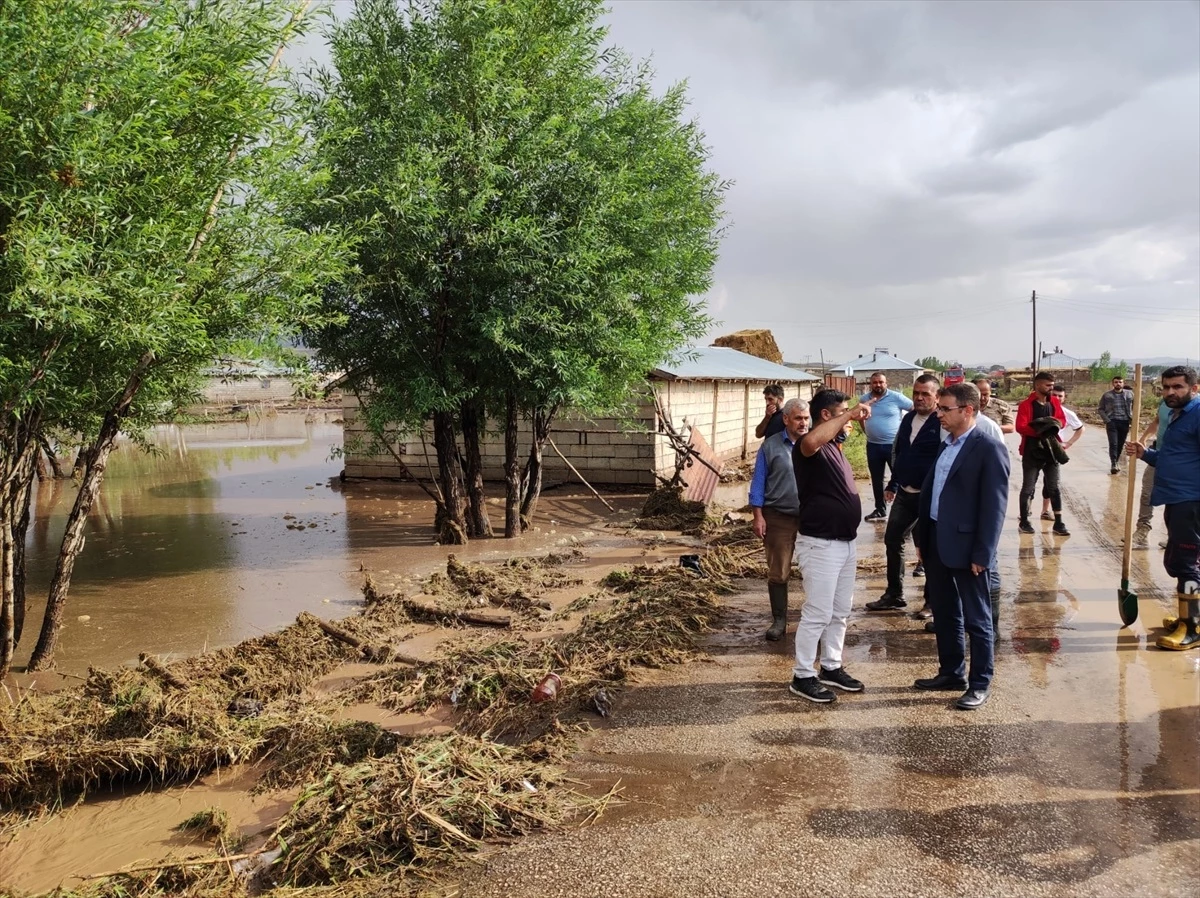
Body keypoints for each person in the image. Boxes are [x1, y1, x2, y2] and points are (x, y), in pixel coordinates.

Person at [913, 382, 1010, 709]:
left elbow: (994, 507)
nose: (938, 413)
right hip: (939, 542)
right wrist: (922, 540)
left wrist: (983, 553)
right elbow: (932, 495)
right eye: (939, 408)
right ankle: (952, 672)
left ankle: (980, 683)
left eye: (945, 409)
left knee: (977, 618)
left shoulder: (988, 447)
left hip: (969, 549)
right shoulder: (947, 445)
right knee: (945, 611)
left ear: (968, 410)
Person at [787, 389, 872, 703]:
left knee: (839, 612)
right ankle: (802, 675)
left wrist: (854, 421)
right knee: (818, 613)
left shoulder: (834, 445)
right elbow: (809, 441)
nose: (849, 415)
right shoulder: (809, 445)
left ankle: (831, 666)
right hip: (820, 545)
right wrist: (847, 415)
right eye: (842, 410)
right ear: (827, 415)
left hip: (845, 543)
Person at [1126, 366, 1200, 651]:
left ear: (1194, 388)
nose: (1170, 392)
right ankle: (1189, 616)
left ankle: (1191, 628)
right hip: (1178, 499)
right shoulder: (1177, 415)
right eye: (1166, 387)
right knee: (1180, 561)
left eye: (1177, 387)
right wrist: (1146, 454)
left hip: (1192, 501)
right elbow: (1173, 459)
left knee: (1187, 563)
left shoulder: (1196, 415)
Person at [867, 373, 941, 612]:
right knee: (893, 540)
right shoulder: (908, 419)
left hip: (929, 497)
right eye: (916, 393)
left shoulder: (942, 422)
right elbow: (899, 453)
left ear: (937, 397)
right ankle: (894, 594)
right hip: (906, 494)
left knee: (928, 548)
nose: (919, 398)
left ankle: (931, 602)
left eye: (925, 394)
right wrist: (893, 484)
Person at [749, 398, 810, 641]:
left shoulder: (816, 443)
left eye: (806, 418)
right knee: (778, 571)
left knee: (816, 570)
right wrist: (758, 515)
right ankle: (779, 620)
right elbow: (758, 482)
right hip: (779, 517)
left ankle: (815, 619)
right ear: (786, 419)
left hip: (810, 517)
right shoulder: (770, 446)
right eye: (798, 418)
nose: (803, 423)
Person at [1015, 371, 1069, 536]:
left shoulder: (1053, 402)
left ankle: (1059, 523)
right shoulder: (1026, 405)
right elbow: (1021, 426)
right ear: (1038, 385)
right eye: (1048, 385)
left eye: (1052, 385)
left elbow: (1062, 421)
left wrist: (1048, 425)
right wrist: (1044, 428)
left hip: (1051, 451)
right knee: (1028, 487)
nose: (1051, 388)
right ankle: (1024, 521)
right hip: (1032, 451)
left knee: (1054, 487)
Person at [859, 373, 913, 522]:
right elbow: (860, 417)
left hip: (893, 446)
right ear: (870, 384)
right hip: (873, 446)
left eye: (881, 382)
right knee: (877, 479)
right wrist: (867, 431)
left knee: (900, 478)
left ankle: (903, 512)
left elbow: (914, 409)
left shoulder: (896, 397)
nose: (878, 385)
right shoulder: (864, 399)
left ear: (886, 383)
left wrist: (906, 433)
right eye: (875, 382)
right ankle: (880, 509)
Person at [1040, 386, 1084, 521]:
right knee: (1029, 483)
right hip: (1037, 449)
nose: (1057, 398)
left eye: (1060, 396)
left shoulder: (1067, 413)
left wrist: (1068, 443)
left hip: (1054, 452)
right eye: (1055, 395)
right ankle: (1025, 513)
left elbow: (1080, 428)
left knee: (1050, 483)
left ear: (1064, 398)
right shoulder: (1041, 409)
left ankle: (1045, 511)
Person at [1099, 374, 1135, 475]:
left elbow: (1135, 407)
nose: (1118, 384)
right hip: (1112, 422)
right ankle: (1113, 463)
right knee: (1113, 443)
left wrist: (1133, 419)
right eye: (1116, 382)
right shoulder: (1107, 395)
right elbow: (1100, 409)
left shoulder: (1130, 394)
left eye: (1120, 382)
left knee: (1120, 443)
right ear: (1113, 384)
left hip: (1125, 422)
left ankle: (1116, 461)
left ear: (1123, 383)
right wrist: (1107, 420)